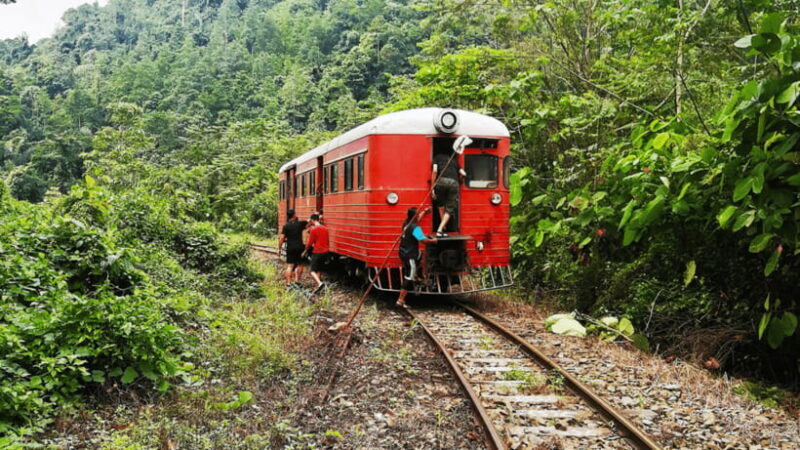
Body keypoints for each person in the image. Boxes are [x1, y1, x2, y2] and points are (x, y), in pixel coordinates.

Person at [396, 206, 438, 308]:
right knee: (408, 277)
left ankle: (417, 275)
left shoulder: (406, 223)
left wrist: (425, 212)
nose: (419, 215)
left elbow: (417, 219)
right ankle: (400, 300)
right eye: (418, 214)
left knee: (420, 255)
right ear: (414, 216)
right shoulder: (415, 228)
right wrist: (434, 241)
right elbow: (423, 240)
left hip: (403, 251)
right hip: (409, 255)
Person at [431, 150, 466, 237]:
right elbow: (463, 173)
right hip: (454, 183)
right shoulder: (454, 161)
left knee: (440, 204)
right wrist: (460, 180)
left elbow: (435, 171)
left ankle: (441, 228)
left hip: (441, 181)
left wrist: (432, 188)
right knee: (450, 208)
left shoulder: (437, 158)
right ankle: (441, 229)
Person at [277, 209, 308, 286]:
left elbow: (282, 238)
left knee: (290, 266)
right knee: (300, 264)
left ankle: (288, 283)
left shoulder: (286, 226)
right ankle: (297, 281)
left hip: (290, 248)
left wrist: (279, 249)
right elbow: (310, 221)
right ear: (294, 215)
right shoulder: (300, 224)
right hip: (300, 247)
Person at [304, 213, 329, 294]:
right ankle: (317, 287)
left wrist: (305, 251)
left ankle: (320, 283)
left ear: (312, 220)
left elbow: (310, 243)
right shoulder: (325, 228)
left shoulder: (314, 229)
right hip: (325, 252)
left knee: (312, 270)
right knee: (319, 270)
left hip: (317, 252)